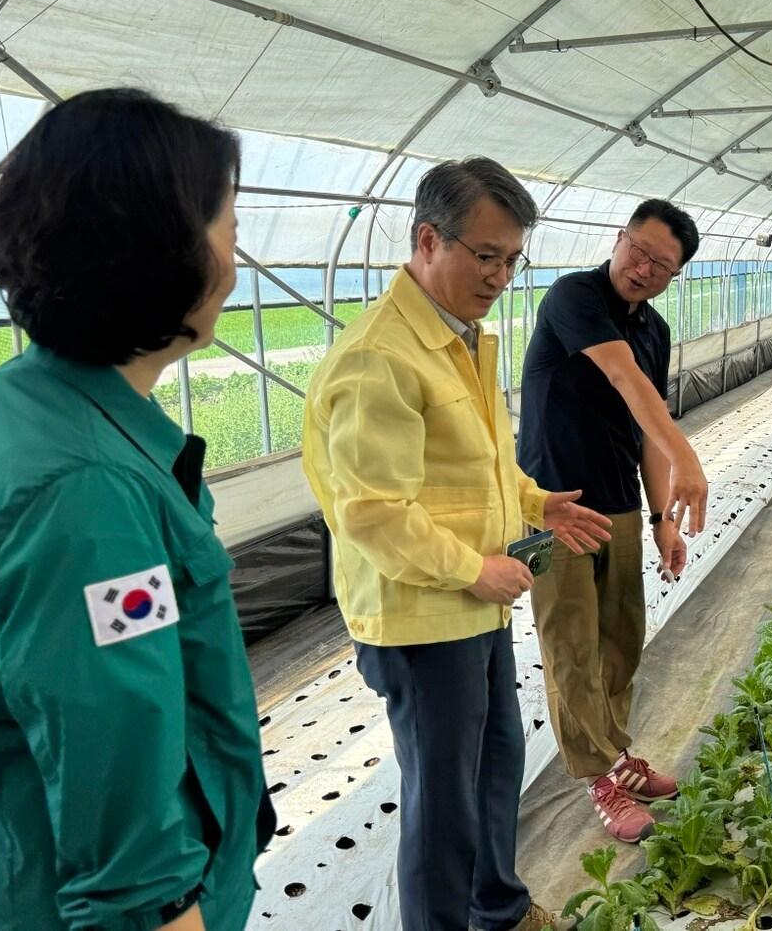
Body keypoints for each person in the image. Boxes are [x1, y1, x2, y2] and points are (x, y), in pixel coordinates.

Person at [0, 89, 274, 931]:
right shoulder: (86, 503)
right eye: (225, 222)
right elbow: (133, 872)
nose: (236, 252)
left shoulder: (30, 401)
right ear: (160, 252)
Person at [301, 157, 610, 931]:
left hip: (474, 604)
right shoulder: (382, 358)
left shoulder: (460, 336)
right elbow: (373, 512)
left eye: (512, 259)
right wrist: (476, 567)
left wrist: (535, 500)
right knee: (443, 803)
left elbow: (471, 461)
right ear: (429, 239)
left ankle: (498, 909)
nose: (501, 274)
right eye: (486, 255)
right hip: (422, 615)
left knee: (495, 768)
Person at [517, 198, 708, 844]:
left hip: (619, 503)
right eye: (639, 251)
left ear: (675, 275)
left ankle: (617, 756)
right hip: (548, 508)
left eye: (662, 265)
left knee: (621, 639)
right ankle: (600, 778)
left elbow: (645, 428)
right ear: (618, 238)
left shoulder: (654, 329)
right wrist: (689, 456)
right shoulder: (574, 295)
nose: (645, 268)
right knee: (570, 645)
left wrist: (664, 519)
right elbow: (622, 377)